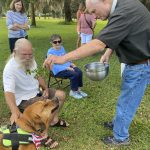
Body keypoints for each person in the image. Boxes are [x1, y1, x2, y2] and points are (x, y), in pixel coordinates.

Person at [44, 0, 150, 146]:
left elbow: (98, 43)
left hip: (140, 66)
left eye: (93, 11)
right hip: (135, 64)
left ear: (104, 1)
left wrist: (63, 58)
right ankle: (117, 124)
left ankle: (121, 137)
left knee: (127, 102)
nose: (95, 16)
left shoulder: (124, 11)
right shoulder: (124, 6)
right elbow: (122, 34)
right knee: (125, 99)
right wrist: (109, 51)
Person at [3, 39, 69, 132]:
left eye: (30, 54)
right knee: (49, 104)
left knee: (61, 95)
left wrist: (45, 88)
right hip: (23, 99)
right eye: (24, 54)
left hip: (37, 92)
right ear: (15, 52)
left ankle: (54, 121)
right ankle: (44, 134)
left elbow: (37, 75)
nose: (28, 57)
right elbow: (8, 92)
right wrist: (14, 111)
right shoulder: (10, 68)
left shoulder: (31, 60)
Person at [47, 34, 88, 99]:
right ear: (51, 43)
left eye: (59, 41)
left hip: (66, 66)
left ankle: (78, 90)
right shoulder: (50, 52)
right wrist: (66, 68)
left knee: (79, 72)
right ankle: (73, 92)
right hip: (58, 70)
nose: (57, 43)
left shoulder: (62, 48)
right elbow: (53, 66)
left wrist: (71, 63)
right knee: (74, 74)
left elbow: (66, 57)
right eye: (55, 42)